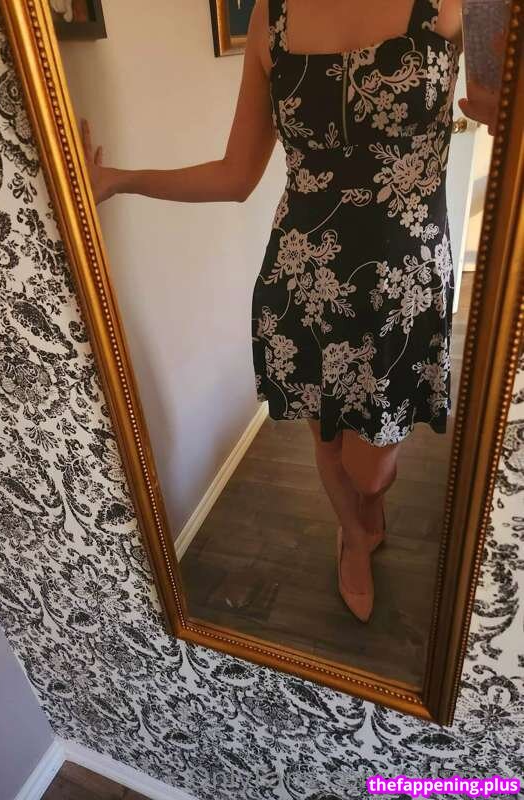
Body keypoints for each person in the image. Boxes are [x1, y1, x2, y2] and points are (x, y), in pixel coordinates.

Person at [80, 0, 500, 623]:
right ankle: (353, 537)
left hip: (401, 289)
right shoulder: (270, 17)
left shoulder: (455, 6)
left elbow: (497, 109)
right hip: (304, 278)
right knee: (327, 438)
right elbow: (235, 175)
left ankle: (367, 508)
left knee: (372, 467)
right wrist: (119, 179)